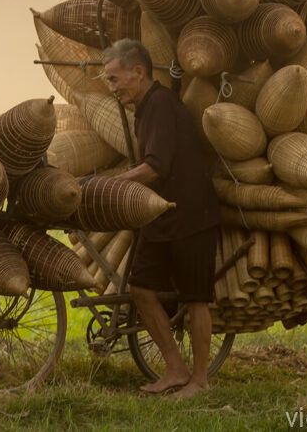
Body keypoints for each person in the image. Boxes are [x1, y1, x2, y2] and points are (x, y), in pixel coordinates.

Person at [102, 38, 221, 399]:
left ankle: (199, 380)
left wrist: (114, 185)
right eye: (108, 81)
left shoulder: (161, 105)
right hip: (162, 216)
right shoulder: (146, 107)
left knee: (196, 298)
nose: (112, 88)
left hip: (191, 215)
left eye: (114, 78)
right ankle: (174, 368)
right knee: (140, 287)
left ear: (138, 72)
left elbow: (155, 166)